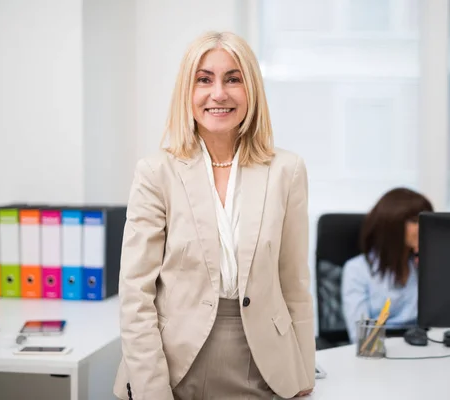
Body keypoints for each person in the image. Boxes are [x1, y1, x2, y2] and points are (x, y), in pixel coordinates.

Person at [113, 31, 315, 400]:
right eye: (204, 79)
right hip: (173, 363)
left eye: (233, 78)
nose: (219, 93)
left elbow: (294, 285)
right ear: (187, 92)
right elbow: (135, 294)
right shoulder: (156, 172)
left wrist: (302, 372)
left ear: (250, 88)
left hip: (266, 365)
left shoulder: (288, 171)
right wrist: (152, 390)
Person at [341, 188, 433, 343]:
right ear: (391, 225)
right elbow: (361, 337)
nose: (423, 227)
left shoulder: (422, 265)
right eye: (414, 221)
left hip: (422, 346)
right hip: (378, 350)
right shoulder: (357, 269)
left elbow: (441, 323)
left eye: (426, 220)